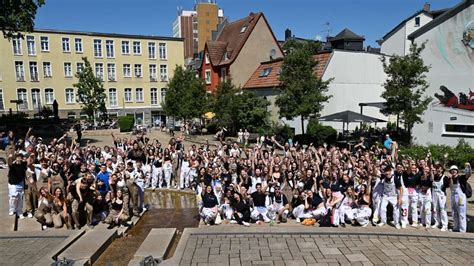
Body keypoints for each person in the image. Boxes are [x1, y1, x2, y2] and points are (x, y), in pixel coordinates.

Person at [448, 164, 471, 233]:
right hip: (453, 197)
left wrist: (468, 168)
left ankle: (462, 229)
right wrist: (451, 179)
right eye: (452, 170)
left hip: (461, 197)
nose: (453, 171)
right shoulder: (450, 179)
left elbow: (468, 175)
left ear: (457, 171)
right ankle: (456, 227)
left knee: (461, 213)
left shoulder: (461, 178)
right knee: (454, 213)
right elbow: (451, 188)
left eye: (455, 170)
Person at [378, 165, 402, 229]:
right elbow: (376, 174)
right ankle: (383, 221)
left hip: (393, 196)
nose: (387, 173)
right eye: (386, 172)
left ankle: (396, 223)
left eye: (388, 171)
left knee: (396, 210)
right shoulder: (384, 177)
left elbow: (401, 188)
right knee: (382, 208)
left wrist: (400, 198)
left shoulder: (395, 179)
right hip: (385, 196)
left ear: (391, 171)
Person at [7, 152, 27, 217]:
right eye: (18, 158)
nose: (19, 159)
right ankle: (12, 209)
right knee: (13, 197)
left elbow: (28, 161)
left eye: (20, 158)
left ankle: (19, 212)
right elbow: (9, 163)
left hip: (20, 183)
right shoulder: (13, 165)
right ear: (16, 158)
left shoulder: (23, 164)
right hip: (12, 183)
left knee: (20, 198)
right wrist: (10, 157)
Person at [431, 164, 449, 231]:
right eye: (438, 169)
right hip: (434, 194)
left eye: (440, 169)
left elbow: (447, 185)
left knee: (442, 210)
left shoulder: (445, 178)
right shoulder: (434, 177)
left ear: (442, 170)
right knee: (435, 209)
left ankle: (445, 225)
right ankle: (437, 222)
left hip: (441, 195)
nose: (439, 170)